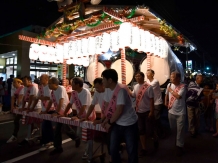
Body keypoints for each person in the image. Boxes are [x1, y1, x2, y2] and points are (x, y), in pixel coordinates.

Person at [101, 69, 138, 163]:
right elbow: (107, 106)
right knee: (113, 149)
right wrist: (105, 119)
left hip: (129, 124)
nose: (102, 81)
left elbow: (119, 110)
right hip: (117, 123)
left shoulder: (121, 90)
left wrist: (109, 122)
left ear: (110, 80)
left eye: (103, 79)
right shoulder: (107, 90)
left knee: (131, 150)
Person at [64, 77, 95, 159]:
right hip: (80, 116)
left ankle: (88, 152)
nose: (71, 85)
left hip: (88, 116)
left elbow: (84, 106)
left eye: (72, 83)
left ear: (77, 85)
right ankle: (86, 149)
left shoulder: (86, 92)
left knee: (88, 136)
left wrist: (77, 116)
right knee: (79, 134)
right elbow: (70, 104)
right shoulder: (74, 93)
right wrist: (63, 113)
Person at [48, 77, 79, 155]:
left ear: (55, 84)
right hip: (59, 112)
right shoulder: (52, 92)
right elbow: (51, 101)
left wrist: (58, 112)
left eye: (50, 83)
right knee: (57, 130)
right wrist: (46, 110)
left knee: (66, 129)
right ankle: (58, 147)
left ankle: (76, 138)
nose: (48, 85)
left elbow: (61, 100)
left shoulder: (61, 88)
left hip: (66, 112)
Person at [129, 71, 157, 157]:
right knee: (141, 131)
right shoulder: (136, 86)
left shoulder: (148, 87)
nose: (137, 78)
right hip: (139, 112)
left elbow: (152, 100)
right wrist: (127, 89)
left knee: (149, 130)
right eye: (136, 76)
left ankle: (155, 139)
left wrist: (152, 111)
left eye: (139, 76)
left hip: (147, 111)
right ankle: (144, 148)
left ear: (143, 77)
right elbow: (133, 95)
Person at [165, 71, 186, 156]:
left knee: (180, 130)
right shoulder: (169, 85)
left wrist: (170, 90)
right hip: (171, 111)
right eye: (171, 76)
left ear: (178, 78)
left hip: (181, 112)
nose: (171, 78)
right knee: (173, 128)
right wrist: (165, 101)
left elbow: (178, 96)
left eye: (172, 77)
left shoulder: (183, 87)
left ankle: (179, 146)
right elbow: (166, 94)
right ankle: (176, 142)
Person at [30, 74, 54, 151]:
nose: (40, 79)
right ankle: (46, 140)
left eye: (41, 78)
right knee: (45, 126)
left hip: (50, 108)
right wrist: (32, 108)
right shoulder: (40, 87)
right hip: (44, 109)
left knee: (47, 125)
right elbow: (37, 98)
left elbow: (49, 98)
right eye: (40, 78)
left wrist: (39, 97)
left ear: (46, 79)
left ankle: (49, 141)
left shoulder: (49, 87)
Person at [18, 76, 42, 146]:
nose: (23, 82)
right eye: (23, 81)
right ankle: (29, 138)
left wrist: (28, 108)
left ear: (29, 81)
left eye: (25, 81)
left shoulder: (33, 87)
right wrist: (23, 107)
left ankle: (41, 136)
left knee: (39, 122)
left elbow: (31, 98)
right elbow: (24, 98)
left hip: (37, 107)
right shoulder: (25, 87)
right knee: (30, 122)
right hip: (31, 107)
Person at [146, 69, 164, 137]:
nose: (147, 75)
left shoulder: (155, 81)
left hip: (157, 103)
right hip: (151, 102)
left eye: (148, 73)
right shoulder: (147, 81)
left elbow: (147, 89)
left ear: (152, 74)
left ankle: (160, 133)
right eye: (146, 73)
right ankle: (155, 133)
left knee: (156, 119)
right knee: (152, 119)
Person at [7, 78, 24, 143]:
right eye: (13, 83)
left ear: (19, 83)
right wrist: (12, 107)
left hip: (25, 106)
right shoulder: (13, 87)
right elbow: (13, 97)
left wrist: (16, 106)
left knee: (30, 120)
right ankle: (15, 135)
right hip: (20, 106)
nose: (14, 84)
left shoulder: (22, 88)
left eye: (15, 83)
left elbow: (20, 98)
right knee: (16, 120)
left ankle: (35, 130)